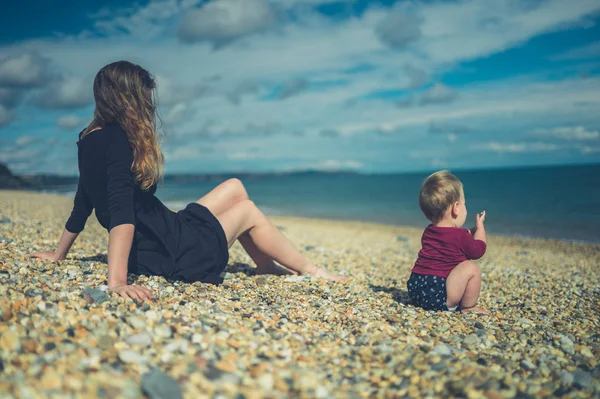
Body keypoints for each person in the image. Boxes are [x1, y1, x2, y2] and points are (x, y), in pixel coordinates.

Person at [31, 61, 347, 301]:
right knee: (247, 211)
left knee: (235, 186)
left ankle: (265, 263)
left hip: (167, 230)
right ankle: (309, 269)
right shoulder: (116, 139)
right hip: (176, 251)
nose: (149, 106)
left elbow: (84, 198)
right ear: (128, 99)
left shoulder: (88, 138)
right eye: (144, 98)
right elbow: (120, 211)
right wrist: (117, 281)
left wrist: (60, 255)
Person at [407, 170, 487, 314]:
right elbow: (478, 250)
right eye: (464, 204)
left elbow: (449, 241)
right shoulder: (460, 236)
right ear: (456, 208)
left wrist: (469, 233)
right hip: (437, 295)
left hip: (416, 289)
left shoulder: (429, 231)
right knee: (471, 267)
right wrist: (480, 230)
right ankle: (468, 307)